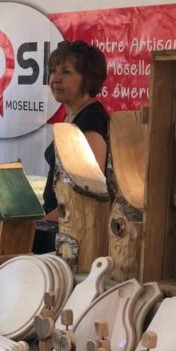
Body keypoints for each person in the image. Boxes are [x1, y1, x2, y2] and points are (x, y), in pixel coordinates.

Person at [41, 40, 109, 221]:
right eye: (53, 71)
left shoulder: (91, 121)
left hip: (74, 231)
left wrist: (42, 223)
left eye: (66, 72)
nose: (55, 79)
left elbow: (88, 194)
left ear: (88, 78)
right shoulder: (72, 116)